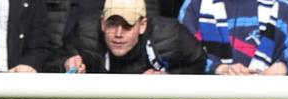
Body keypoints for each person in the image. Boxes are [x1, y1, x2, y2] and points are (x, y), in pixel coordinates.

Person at [64, 0, 209, 72]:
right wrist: (65, 64)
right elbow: (51, 62)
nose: (118, 34)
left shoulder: (171, 36)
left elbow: (200, 62)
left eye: (127, 25)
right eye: (112, 24)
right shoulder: (84, 34)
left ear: (143, 25)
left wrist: (168, 78)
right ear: (102, 23)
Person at [177, 0, 288, 74]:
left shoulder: (284, 10)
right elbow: (182, 58)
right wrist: (219, 68)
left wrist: (282, 69)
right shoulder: (194, 6)